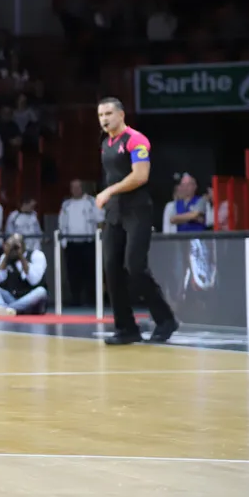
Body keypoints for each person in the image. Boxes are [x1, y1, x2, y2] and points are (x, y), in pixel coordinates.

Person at [96, 97, 178, 344]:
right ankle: (127, 328)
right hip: (115, 212)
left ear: (121, 115)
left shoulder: (136, 140)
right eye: (100, 115)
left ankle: (165, 320)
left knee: (135, 267)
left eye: (109, 113)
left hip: (137, 210)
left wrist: (109, 191)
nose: (104, 119)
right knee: (111, 269)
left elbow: (140, 176)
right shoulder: (106, 143)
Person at [58, 179, 102, 307]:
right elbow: (62, 224)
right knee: (73, 273)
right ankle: (75, 299)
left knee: (90, 272)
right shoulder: (66, 205)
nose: (76, 190)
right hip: (72, 244)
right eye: (73, 187)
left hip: (88, 242)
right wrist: (64, 243)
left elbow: (100, 219)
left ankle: (91, 300)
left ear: (82, 188)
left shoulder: (91, 202)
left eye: (78, 187)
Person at [0, 233, 48, 316]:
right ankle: (5, 309)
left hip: (30, 300)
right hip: (12, 297)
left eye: (15, 246)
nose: (13, 249)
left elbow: (34, 280)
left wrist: (21, 257)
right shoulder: (5, 258)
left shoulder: (36, 255)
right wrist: (7, 255)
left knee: (41, 291)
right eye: (10, 246)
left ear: (23, 245)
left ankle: (3, 309)